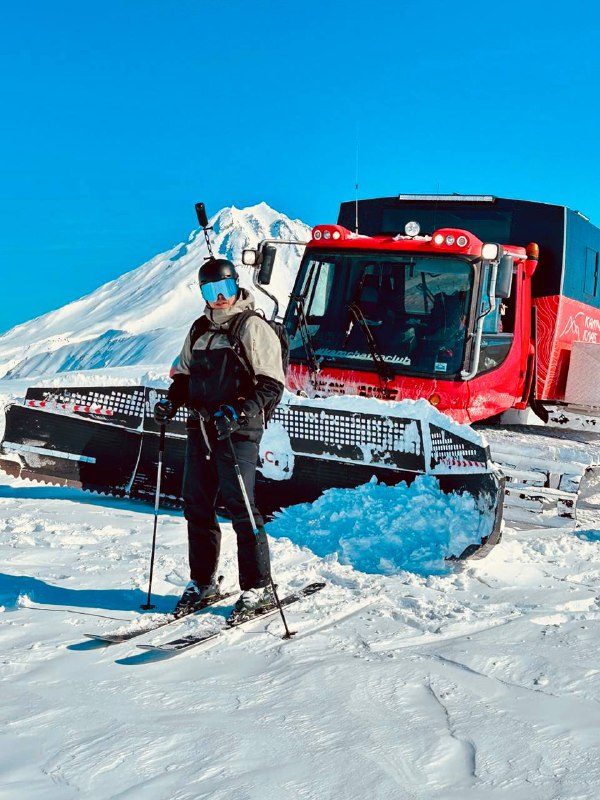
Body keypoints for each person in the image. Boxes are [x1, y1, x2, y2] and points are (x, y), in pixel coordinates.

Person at [153, 257, 285, 618]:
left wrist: (240, 412)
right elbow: (183, 377)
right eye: (211, 291)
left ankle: (258, 587)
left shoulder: (252, 327)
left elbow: (272, 384)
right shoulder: (198, 330)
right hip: (202, 429)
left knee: (242, 507)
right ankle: (203, 582)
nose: (220, 298)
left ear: (236, 285)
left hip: (238, 431)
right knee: (196, 505)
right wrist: (171, 401)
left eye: (225, 289)